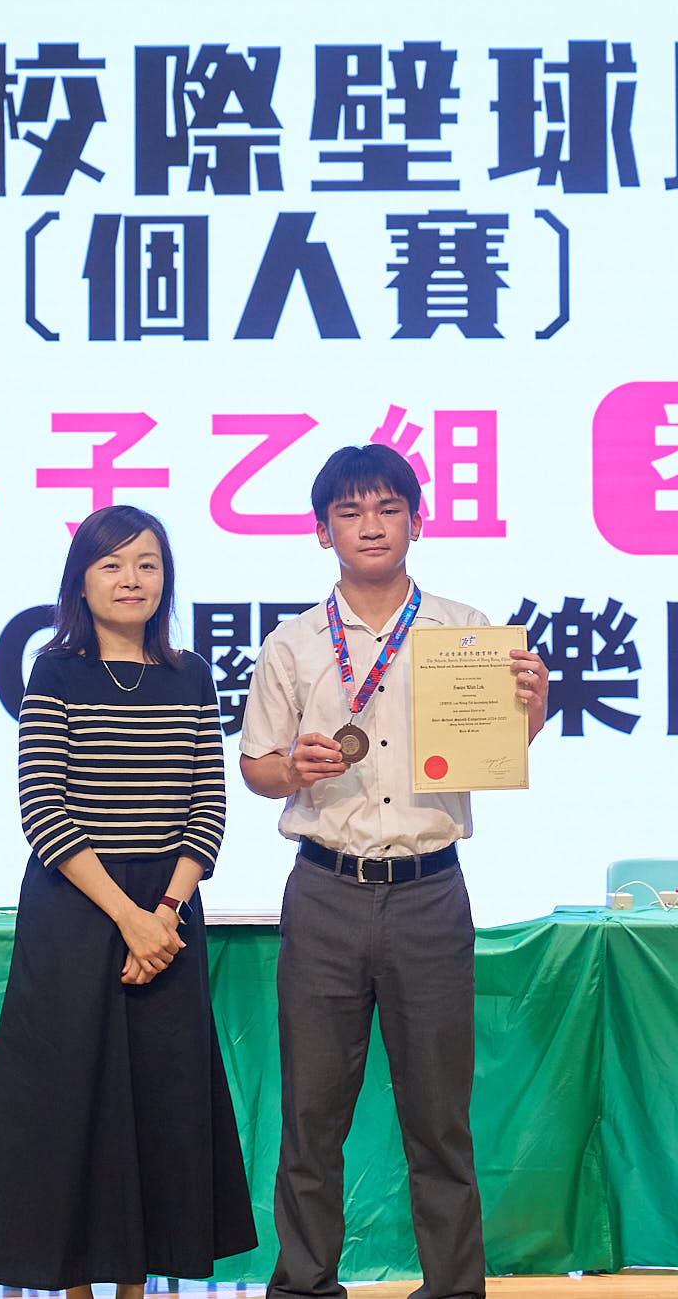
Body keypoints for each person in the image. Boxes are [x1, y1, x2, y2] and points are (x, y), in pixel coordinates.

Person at [239, 444, 550, 1299]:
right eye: (350, 511)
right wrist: (292, 768)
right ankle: (304, 1285)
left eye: (387, 508)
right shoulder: (293, 643)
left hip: (428, 891)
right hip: (325, 890)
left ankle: (452, 1288)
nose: (370, 526)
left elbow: (495, 751)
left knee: (439, 1118)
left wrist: (533, 711)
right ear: (322, 530)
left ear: (418, 519)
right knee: (311, 1115)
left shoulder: (465, 632)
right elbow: (256, 765)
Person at [0, 505, 256, 1299]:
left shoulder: (192, 675)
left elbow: (208, 807)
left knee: (161, 1104)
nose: (132, 579)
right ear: (81, 582)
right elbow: (42, 808)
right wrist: (128, 917)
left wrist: (164, 912)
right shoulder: (55, 671)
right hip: (75, 908)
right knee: (73, 1103)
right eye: (112, 564)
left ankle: (137, 1285)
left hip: (169, 913)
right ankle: (76, 1286)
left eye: (147, 563)